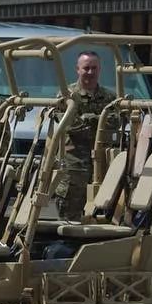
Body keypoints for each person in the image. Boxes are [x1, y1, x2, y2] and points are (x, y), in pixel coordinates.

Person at [55, 51, 118, 220]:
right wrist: (100, 122)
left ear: (100, 70)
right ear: (78, 69)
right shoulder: (66, 95)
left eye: (94, 68)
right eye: (86, 68)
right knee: (70, 218)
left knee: (103, 215)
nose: (90, 72)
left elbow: (116, 122)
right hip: (74, 166)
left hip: (102, 165)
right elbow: (71, 125)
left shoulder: (110, 97)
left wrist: (89, 119)